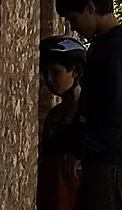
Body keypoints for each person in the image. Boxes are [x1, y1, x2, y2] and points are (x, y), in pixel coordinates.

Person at [54, 0, 122, 210]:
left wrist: (81, 149)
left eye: (73, 18)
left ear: (90, 8)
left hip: (113, 160)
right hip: (102, 159)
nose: (72, 26)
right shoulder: (104, 46)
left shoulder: (118, 50)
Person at [37, 36, 87, 210]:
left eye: (55, 72)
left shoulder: (87, 113)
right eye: (45, 74)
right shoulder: (54, 115)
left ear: (73, 71)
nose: (49, 79)